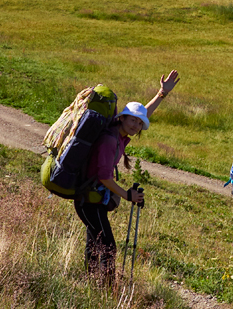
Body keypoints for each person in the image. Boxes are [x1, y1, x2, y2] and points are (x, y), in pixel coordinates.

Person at [74, 69, 179, 286]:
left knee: (95, 242)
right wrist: (127, 195)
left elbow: (144, 114)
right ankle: (107, 290)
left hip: (92, 197)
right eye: (132, 120)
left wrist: (162, 93)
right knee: (108, 246)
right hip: (89, 198)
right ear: (121, 118)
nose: (135, 125)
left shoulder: (119, 134)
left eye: (139, 123)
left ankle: (91, 285)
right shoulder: (110, 141)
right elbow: (104, 177)